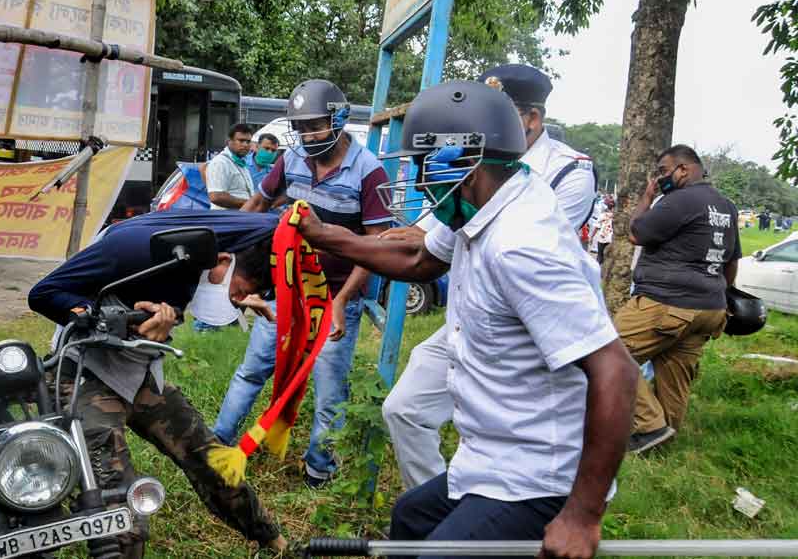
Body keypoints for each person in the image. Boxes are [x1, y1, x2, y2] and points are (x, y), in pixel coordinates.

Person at [296, 80, 637, 559]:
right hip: (490, 458)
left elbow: (616, 371)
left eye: (422, 164)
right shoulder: (483, 208)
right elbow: (417, 262)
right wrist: (327, 236)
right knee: (410, 517)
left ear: (464, 159)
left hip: (539, 477)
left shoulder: (523, 245)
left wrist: (583, 514)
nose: (416, 182)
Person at [381, 63, 599, 491]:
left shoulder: (569, 170)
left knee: (503, 437)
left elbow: (491, 233)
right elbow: (436, 235)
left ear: (531, 119)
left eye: (495, 110)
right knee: (405, 409)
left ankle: (489, 513)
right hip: (469, 310)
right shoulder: (473, 158)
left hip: (524, 326)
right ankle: (443, 506)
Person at [27, 210, 287, 556]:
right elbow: (44, 292)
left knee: (214, 462)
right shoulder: (135, 250)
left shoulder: (193, 261)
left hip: (138, 372)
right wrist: (113, 320)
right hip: (84, 373)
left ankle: (273, 541)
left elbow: (281, 224)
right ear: (223, 259)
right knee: (120, 509)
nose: (238, 298)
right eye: (241, 290)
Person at [213, 79, 393, 487]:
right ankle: (216, 442)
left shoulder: (369, 171)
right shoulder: (289, 160)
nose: (308, 136)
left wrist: (342, 300)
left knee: (329, 389)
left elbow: (375, 246)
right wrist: (228, 243)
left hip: (335, 296)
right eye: (301, 127)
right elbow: (257, 204)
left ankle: (319, 469)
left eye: (316, 126)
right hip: (286, 290)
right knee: (253, 368)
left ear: (340, 119)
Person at [618, 145, 741, 453]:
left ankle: (649, 428)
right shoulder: (726, 205)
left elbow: (636, 232)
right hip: (710, 308)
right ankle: (662, 442)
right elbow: (732, 260)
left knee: (606, 354)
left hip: (667, 302)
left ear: (683, 169)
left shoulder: (680, 200)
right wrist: (717, 295)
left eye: (663, 171)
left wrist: (647, 197)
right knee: (675, 374)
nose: (659, 179)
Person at [206, 123, 255, 210]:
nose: (245, 145)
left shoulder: (241, 163)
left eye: (248, 141)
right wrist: (250, 203)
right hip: (226, 220)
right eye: (241, 140)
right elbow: (216, 196)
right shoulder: (221, 162)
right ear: (229, 141)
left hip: (240, 218)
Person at [590, 195, 615, 265]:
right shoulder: (616, 216)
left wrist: (592, 237)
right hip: (611, 239)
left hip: (602, 237)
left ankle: (598, 271)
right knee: (609, 257)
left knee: (600, 256)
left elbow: (597, 227)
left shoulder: (603, 215)